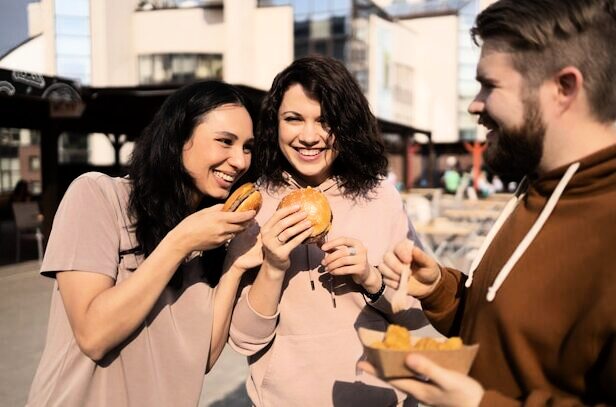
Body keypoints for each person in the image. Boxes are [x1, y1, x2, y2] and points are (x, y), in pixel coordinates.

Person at [361, 0, 616, 405]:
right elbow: (505, 333)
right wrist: (441, 291)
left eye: (490, 85)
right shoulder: (536, 188)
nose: (474, 104)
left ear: (563, 88)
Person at [26, 81, 262, 406]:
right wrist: (180, 242)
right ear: (179, 138)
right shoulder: (98, 196)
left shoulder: (213, 235)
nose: (240, 161)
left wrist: (234, 264)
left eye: (248, 147)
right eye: (225, 141)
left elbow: (202, 359)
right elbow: (94, 336)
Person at [226, 55, 427, 406]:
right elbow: (243, 340)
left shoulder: (380, 196)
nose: (309, 136)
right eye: (293, 119)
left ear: (347, 125)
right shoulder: (255, 206)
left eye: (325, 121)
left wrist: (371, 279)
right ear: (275, 125)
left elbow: (418, 315)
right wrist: (273, 267)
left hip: (382, 398)